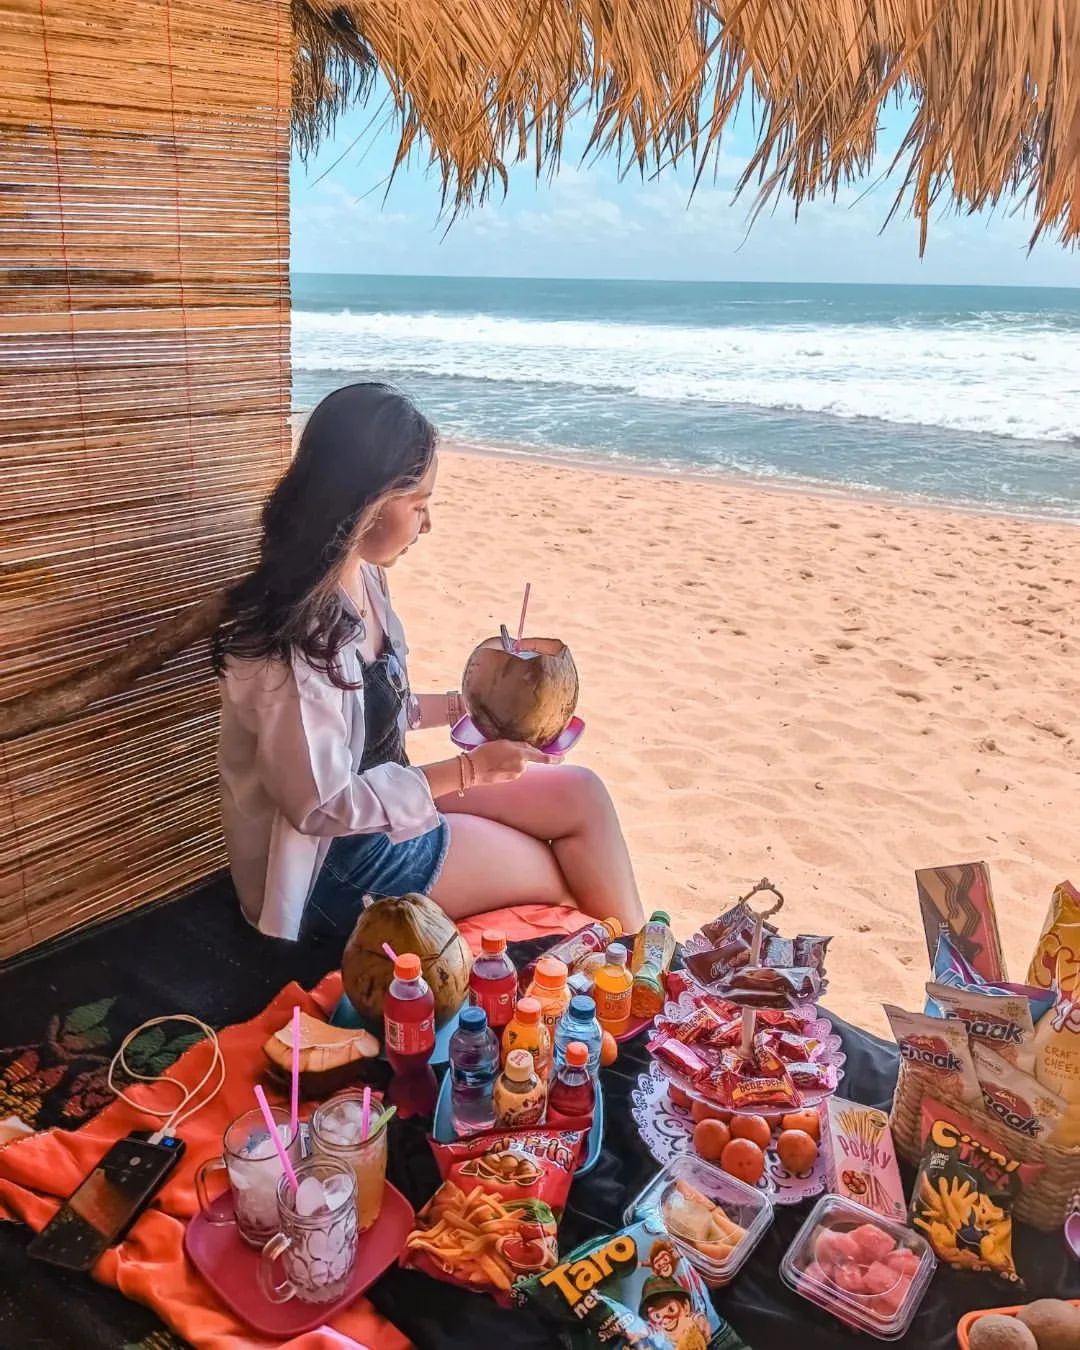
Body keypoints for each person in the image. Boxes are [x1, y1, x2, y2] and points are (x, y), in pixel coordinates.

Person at [212, 382, 645, 944]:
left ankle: (650, 966)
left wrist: (464, 707)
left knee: (581, 794)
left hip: (391, 805)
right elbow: (320, 806)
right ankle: (641, 990)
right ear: (364, 501)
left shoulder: (364, 579)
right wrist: (471, 771)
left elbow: (364, 715)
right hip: (338, 865)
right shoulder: (291, 641)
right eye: (418, 505)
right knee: (560, 876)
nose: (428, 523)